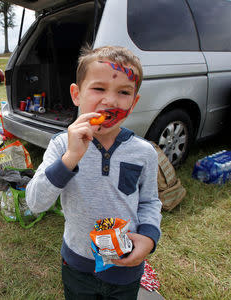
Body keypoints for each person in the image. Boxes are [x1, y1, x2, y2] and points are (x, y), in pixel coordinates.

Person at [25, 46, 162, 300]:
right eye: (99, 89)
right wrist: (70, 158)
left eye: (123, 92)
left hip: (125, 267)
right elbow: (35, 203)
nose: (110, 101)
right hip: (77, 265)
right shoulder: (61, 146)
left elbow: (149, 201)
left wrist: (149, 238)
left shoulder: (144, 153)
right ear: (76, 94)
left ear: (134, 103)